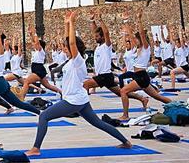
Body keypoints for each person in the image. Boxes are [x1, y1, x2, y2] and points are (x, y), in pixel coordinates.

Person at [25, 9, 132, 157]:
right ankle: (126, 142)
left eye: (66, 47)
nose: (64, 48)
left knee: (44, 116)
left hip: (73, 100)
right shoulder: (71, 61)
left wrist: (73, 23)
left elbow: (71, 42)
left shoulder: (78, 61)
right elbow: (68, 40)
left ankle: (36, 148)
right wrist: (66, 23)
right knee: (98, 123)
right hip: (80, 99)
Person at [83, 12, 149, 110]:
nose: (95, 38)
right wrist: (92, 20)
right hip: (105, 76)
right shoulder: (98, 46)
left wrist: (100, 20)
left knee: (85, 85)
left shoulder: (107, 45)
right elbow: (95, 31)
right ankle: (142, 98)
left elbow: (106, 33)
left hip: (104, 76)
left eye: (97, 37)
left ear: (102, 37)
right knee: (120, 92)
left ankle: (83, 109)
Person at [118, 9, 172, 120]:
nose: (135, 41)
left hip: (141, 76)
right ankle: (176, 105)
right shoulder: (135, 49)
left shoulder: (146, 48)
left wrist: (139, 20)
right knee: (157, 96)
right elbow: (131, 35)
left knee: (123, 91)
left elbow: (141, 34)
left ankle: (125, 115)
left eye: (137, 40)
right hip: (140, 76)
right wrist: (125, 21)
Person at [19, 23, 62, 97]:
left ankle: (21, 97)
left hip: (38, 69)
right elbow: (34, 42)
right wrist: (31, 34)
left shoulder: (40, 50)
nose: (34, 45)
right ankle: (61, 92)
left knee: (26, 82)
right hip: (37, 69)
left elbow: (36, 42)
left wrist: (35, 32)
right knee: (47, 85)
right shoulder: (37, 51)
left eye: (36, 44)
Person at [168, 25, 189, 90]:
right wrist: (170, 32)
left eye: (177, 43)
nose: (176, 44)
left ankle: (172, 87)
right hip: (181, 66)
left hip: (184, 66)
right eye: (176, 43)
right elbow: (171, 40)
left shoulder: (183, 48)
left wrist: (180, 32)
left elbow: (182, 40)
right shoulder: (176, 48)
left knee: (172, 72)